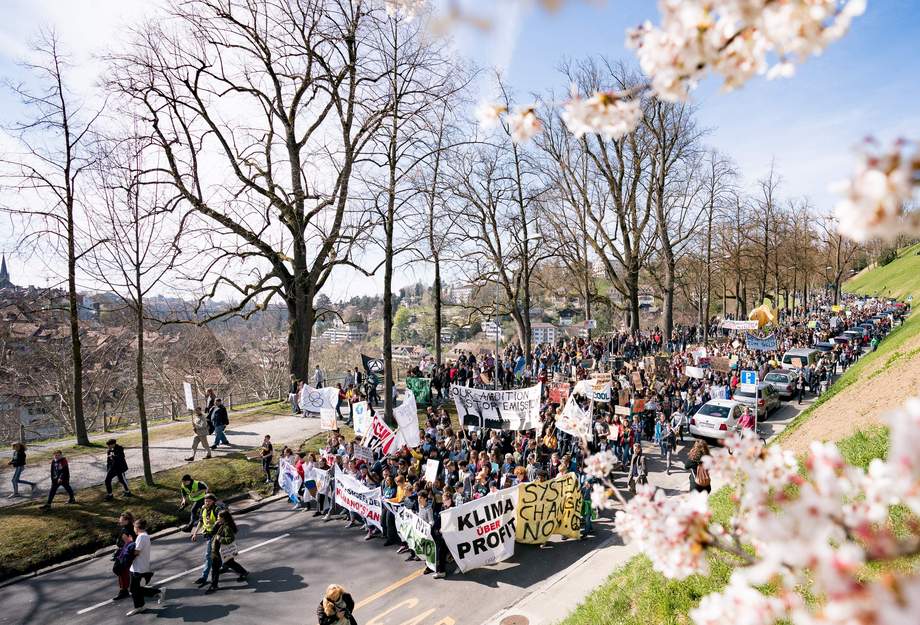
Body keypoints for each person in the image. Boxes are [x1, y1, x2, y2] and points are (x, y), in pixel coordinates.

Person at [126, 518, 163, 616]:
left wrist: (129, 543)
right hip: (137, 567)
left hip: (139, 567)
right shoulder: (144, 536)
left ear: (137, 528)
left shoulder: (141, 537)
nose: (133, 529)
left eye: (134, 527)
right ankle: (140, 606)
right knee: (135, 589)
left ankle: (158, 592)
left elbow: (136, 552)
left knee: (134, 589)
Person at [207, 509, 249, 593]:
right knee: (229, 562)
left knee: (215, 567)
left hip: (220, 550)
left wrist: (220, 538)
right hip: (218, 549)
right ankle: (243, 572)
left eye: (218, 517)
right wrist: (214, 525)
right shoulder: (220, 524)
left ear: (223, 518)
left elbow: (230, 539)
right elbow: (212, 533)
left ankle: (214, 585)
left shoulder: (227, 527)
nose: (217, 518)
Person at [190, 493, 221, 585]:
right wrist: (195, 533)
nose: (207, 502)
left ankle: (204, 577)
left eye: (209, 501)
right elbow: (201, 521)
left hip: (216, 535)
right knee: (216, 553)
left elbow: (221, 521)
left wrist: (213, 522)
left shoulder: (217, 509)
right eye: (205, 501)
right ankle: (226, 565)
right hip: (208, 534)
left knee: (208, 556)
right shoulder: (203, 509)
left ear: (213, 501)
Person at [112, 511, 136, 601]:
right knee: (125, 572)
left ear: (127, 520)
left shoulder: (126, 531)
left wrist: (121, 551)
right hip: (126, 553)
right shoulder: (128, 528)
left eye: (121, 520)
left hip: (125, 554)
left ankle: (124, 590)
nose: (119, 521)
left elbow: (128, 544)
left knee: (122, 572)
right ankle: (125, 589)